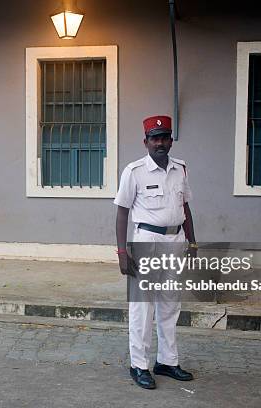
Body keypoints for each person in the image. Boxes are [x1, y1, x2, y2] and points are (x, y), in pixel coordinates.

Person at [114, 115, 198, 389]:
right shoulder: (134, 171)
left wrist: (193, 242)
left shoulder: (180, 169)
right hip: (146, 241)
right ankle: (139, 365)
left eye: (164, 137)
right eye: (154, 138)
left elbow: (185, 208)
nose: (159, 142)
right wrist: (122, 252)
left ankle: (167, 361)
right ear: (146, 141)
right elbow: (122, 212)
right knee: (142, 308)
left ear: (171, 140)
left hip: (175, 240)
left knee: (170, 304)